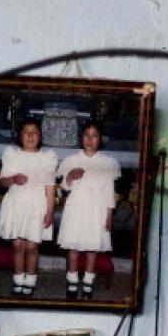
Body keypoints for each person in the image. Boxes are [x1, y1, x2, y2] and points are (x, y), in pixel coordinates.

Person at [56, 121, 120, 300]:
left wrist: (109, 215)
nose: (90, 139)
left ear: (100, 139)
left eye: (94, 136)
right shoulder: (71, 160)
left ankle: (88, 282)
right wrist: (69, 177)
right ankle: (72, 280)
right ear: (81, 138)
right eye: (86, 135)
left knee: (93, 247)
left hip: (96, 209)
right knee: (73, 247)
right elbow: (63, 188)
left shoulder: (108, 163)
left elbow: (109, 191)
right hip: (76, 208)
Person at [0, 117, 58, 296]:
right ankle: (18, 277)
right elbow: (3, 182)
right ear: (20, 136)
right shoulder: (12, 155)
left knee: (32, 246)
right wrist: (13, 179)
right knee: (17, 244)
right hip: (16, 204)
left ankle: (30, 278)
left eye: (34, 132)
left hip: (37, 205)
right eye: (26, 132)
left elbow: (50, 186)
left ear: (40, 136)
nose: (30, 135)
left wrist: (50, 211)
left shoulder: (47, 158)